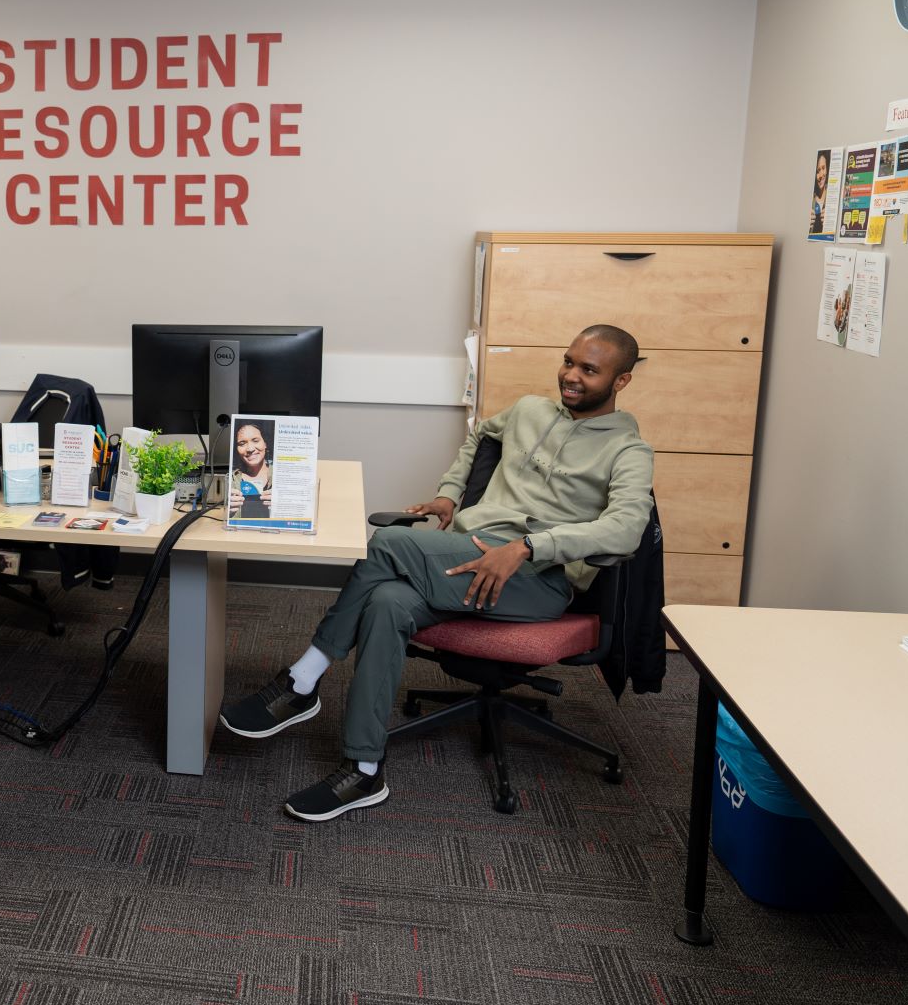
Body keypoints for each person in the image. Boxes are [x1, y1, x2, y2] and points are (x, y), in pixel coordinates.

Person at [219, 326, 654, 822]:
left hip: (536, 579)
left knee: (387, 541)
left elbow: (626, 530)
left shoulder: (629, 451)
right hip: (466, 551)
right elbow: (482, 434)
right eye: (568, 361)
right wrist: (450, 491)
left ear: (620, 381)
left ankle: (303, 679)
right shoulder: (531, 410)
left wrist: (530, 545)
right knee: (387, 603)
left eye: (588, 369)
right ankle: (364, 769)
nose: (570, 375)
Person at [228, 419, 274, 519]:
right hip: (238, 534)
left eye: (255, 440)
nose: (250, 449)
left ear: (265, 443)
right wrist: (226, 509)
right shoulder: (230, 479)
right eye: (242, 443)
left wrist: (286, 505)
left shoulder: (281, 476)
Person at [809, 150, 830, 238]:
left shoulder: (833, 196)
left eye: (823, 168)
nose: (821, 175)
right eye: (818, 171)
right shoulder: (810, 199)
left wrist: (830, 222)